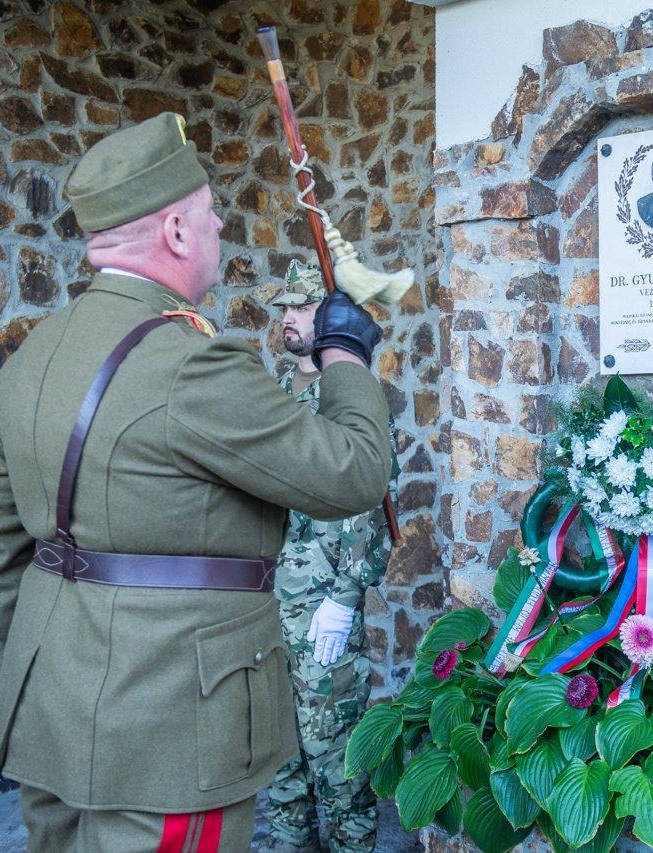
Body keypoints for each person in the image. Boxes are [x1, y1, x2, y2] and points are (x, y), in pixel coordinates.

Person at [0, 112, 392, 852]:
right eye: (213, 216)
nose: (220, 229)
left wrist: (8, 698)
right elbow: (350, 470)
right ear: (177, 233)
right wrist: (346, 350)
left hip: (49, 712)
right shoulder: (194, 362)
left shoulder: (35, 354)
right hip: (173, 728)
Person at [260, 260, 393, 852]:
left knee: (337, 764)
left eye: (300, 307)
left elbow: (371, 504)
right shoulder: (277, 394)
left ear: (333, 316)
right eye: (282, 308)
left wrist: (345, 596)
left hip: (322, 609)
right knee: (281, 761)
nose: (286, 319)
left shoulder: (354, 395)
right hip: (269, 603)